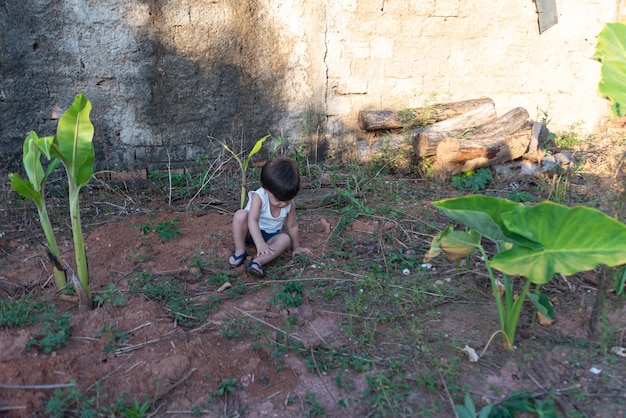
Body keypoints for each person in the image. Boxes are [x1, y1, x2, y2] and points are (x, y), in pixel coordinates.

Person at [227, 158, 310, 278]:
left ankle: (257, 262)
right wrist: (260, 244)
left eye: (286, 201)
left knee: (285, 239)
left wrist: (296, 247)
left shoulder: (289, 204)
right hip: (250, 232)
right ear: (267, 190)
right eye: (278, 200)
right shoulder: (259, 197)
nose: (283, 204)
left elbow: (292, 226)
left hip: (270, 237)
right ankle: (240, 251)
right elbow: (252, 220)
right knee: (241, 215)